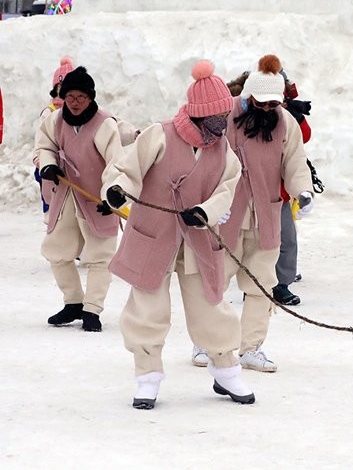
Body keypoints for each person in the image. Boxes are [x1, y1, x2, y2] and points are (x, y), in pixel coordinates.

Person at [102, 60, 254, 409]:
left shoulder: (223, 149)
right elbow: (128, 168)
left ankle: (226, 369)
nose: (222, 127)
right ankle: (147, 376)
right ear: (200, 115)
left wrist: (205, 212)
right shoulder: (161, 134)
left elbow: (227, 188)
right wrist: (117, 189)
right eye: (216, 120)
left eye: (224, 119)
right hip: (153, 234)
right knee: (146, 307)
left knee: (211, 304)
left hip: (198, 238)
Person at [197, 54, 314, 373]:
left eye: (271, 104)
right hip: (227, 215)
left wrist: (302, 190)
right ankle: (206, 342)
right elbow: (205, 160)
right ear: (248, 96)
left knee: (262, 284)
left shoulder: (284, 121)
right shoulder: (224, 115)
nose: (266, 109)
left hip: (266, 215)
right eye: (260, 103)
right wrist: (208, 202)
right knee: (215, 281)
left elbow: (294, 161)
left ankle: (251, 348)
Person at [33, 66, 124, 332]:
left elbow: (117, 163)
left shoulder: (105, 124)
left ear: (91, 98)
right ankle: (73, 301)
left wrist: (113, 196)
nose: (74, 103)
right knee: (56, 250)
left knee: (100, 256)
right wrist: (48, 164)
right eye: (69, 96)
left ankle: (92, 309)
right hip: (68, 194)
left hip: (97, 197)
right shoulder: (55, 120)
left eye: (80, 97)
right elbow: (44, 145)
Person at [275, 68, 313, 306]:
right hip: (249, 193)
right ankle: (254, 281)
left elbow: (304, 137)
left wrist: (296, 116)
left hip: (280, 191)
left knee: (286, 239)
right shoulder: (244, 113)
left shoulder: (289, 112)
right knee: (254, 240)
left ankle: (282, 282)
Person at [33, 56, 76, 216]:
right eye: (60, 86)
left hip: (71, 170)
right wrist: (43, 163)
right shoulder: (49, 113)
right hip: (49, 170)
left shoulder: (77, 112)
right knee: (54, 213)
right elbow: (41, 143)